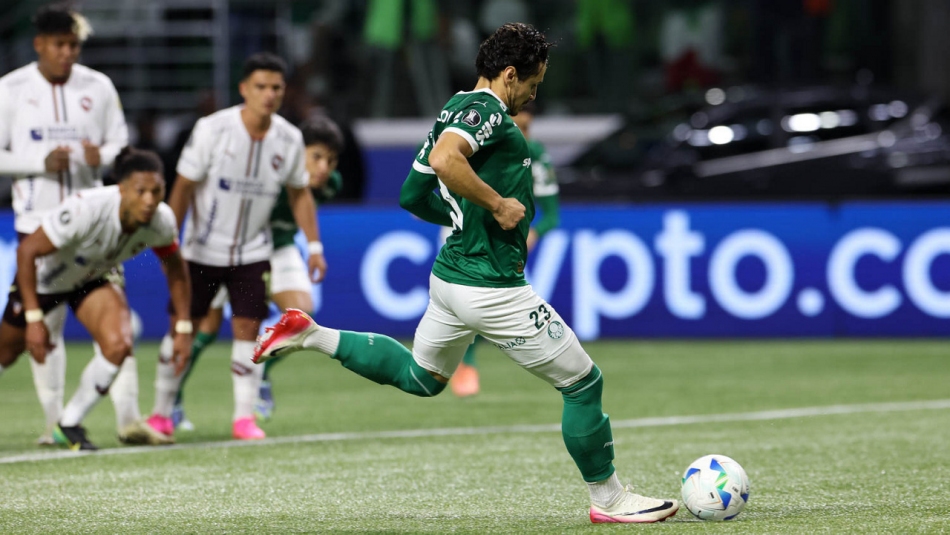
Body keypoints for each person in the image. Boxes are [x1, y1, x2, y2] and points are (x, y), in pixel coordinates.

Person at [253, 23, 680, 523]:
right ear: (509, 74)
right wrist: (496, 205)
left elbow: (412, 194)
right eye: (532, 84)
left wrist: (462, 217)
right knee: (583, 383)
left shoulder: (454, 108)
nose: (533, 96)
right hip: (492, 286)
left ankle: (311, 334)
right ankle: (609, 500)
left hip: (450, 278)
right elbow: (444, 160)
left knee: (422, 377)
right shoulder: (487, 111)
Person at [145, 52, 325, 441]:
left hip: (252, 253)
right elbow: (183, 187)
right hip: (201, 251)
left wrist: (314, 246)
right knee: (183, 329)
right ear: (244, 89)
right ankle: (160, 413)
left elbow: (300, 193)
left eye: (276, 87)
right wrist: (168, 240)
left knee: (247, 329)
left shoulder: (289, 138)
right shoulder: (212, 129)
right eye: (261, 86)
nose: (269, 94)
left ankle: (244, 418)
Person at [0, 3, 151, 446]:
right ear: (39, 45)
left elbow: (121, 144)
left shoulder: (98, 87)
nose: (68, 53)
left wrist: (101, 156)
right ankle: (53, 424)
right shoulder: (10, 89)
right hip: (38, 226)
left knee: (117, 324)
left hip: (95, 229)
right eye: (60, 45)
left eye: (74, 45)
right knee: (41, 331)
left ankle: (129, 420)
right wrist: (38, 162)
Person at [0, 147, 192, 451]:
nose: (149, 200)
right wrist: (35, 319)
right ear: (122, 188)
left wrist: (182, 326)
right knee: (7, 352)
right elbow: (26, 252)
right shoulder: (85, 208)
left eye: (157, 191)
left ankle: (69, 424)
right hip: (47, 279)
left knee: (119, 344)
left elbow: (176, 270)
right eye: (140, 191)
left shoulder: (162, 220)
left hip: (93, 278)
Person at [171, 114, 345, 428]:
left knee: (301, 316)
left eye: (331, 161)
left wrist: (314, 247)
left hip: (279, 248)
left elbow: (303, 205)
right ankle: (173, 397)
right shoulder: (271, 174)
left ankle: (260, 373)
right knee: (206, 330)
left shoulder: (330, 185)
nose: (324, 168)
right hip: (236, 249)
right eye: (317, 157)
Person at [448, 100, 560, 397]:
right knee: (467, 301)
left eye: (526, 128)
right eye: (515, 127)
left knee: (492, 303)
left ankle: (465, 361)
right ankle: (464, 364)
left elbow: (552, 215)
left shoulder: (535, 154)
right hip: (464, 228)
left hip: (508, 239)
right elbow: (434, 150)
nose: (522, 135)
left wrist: (534, 232)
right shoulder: (478, 143)